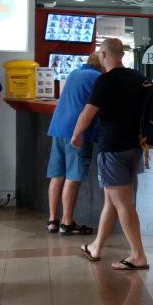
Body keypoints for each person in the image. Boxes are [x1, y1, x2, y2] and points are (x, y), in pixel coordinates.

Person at [73, 37, 150, 271]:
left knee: (123, 203)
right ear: (122, 54)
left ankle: (138, 255)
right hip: (134, 147)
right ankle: (96, 246)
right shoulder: (138, 77)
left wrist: (76, 134)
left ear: (104, 55)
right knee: (112, 200)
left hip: (112, 148)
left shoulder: (105, 81)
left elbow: (87, 114)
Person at [45, 51, 103, 235]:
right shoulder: (98, 78)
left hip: (58, 128)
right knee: (73, 177)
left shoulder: (74, 73)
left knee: (57, 175)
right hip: (77, 132)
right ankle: (67, 223)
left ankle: (52, 220)